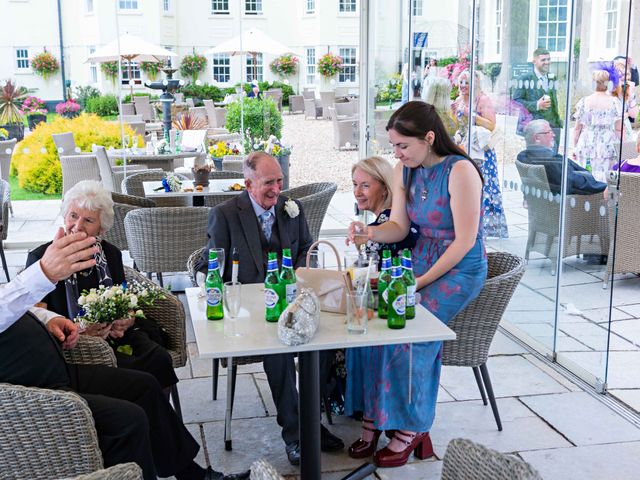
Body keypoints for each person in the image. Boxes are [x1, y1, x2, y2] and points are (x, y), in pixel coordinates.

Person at [1, 231, 248, 480]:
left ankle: (194, 476)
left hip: (53, 366)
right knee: (129, 420)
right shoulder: (40, 256)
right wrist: (43, 273)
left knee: (145, 386)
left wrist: (48, 318)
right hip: (29, 387)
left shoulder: (110, 253)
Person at [345, 101, 487, 468]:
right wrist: (368, 232)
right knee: (374, 320)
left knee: (412, 329)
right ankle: (376, 414)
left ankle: (413, 427)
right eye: (393, 145)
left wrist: (420, 281)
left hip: (460, 268)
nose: (396, 153)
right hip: (420, 260)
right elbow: (400, 227)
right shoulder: (403, 171)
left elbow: (465, 241)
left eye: (402, 146)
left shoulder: (461, 171)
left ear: (428, 137)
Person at [197, 152, 344, 465]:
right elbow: (210, 261)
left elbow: (306, 247)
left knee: (327, 343)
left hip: (293, 299)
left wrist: (305, 272)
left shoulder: (293, 208)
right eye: (268, 182)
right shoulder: (225, 214)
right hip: (253, 313)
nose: (277, 189)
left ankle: (308, 421)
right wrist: (208, 283)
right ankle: (295, 433)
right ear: (248, 184)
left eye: (280, 180)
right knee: (278, 350)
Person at [25, 181, 178, 392]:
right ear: (64, 216)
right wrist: (79, 330)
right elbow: (34, 319)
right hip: (73, 347)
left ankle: (154, 422)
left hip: (115, 336)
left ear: (102, 228)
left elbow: (124, 301)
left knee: (160, 359)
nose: (77, 226)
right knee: (136, 378)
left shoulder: (111, 254)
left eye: (88, 220)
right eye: (73, 216)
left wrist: (127, 318)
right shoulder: (41, 259)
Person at [452, 70, 508, 238]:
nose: (462, 86)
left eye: (466, 83)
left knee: (485, 186)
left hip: (481, 152)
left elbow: (491, 126)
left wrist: (473, 116)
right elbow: (459, 125)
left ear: (475, 84)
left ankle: (488, 226)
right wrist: (454, 113)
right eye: (461, 82)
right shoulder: (459, 100)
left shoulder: (483, 100)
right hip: (464, 148)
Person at [350, 156, 419, 260]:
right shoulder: (404, 215)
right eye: (355, 184)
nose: (357, 192)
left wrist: (364, 235)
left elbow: (367, 269)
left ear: (385, 189)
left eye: (365, 186)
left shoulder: (381, 230)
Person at [518, 119, 607, 196]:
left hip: (543, 206)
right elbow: (579, 185)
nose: (553, 135)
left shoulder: (523, 157)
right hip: (572, 206)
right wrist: (605, 187)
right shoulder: (552, 161)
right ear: (537, 138)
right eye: (549, 132)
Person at [572, 70, 623, 182]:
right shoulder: (615, 102)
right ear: (608, 83)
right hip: (607, 144)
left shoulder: (584, 101)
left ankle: (590, 199)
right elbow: (619, 129)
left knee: (587, 178)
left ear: (593, 83)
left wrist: (575, 147)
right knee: (607, 179)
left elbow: (577, 129)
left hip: (586, 143)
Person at [513, 47, 563, 152]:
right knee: (537, 160)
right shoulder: (525, 78)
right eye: (543, 60)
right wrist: (536, 105)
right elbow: (516, 101)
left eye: (548, 59)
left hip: (553, 127)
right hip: (535, 129)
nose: (547, 62)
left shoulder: (551, 78)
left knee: (552, 160)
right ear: (534, 62)